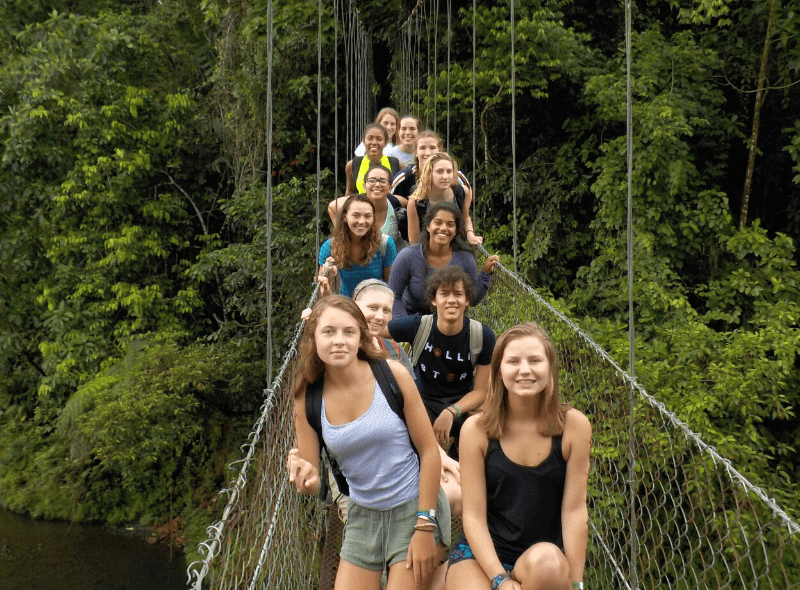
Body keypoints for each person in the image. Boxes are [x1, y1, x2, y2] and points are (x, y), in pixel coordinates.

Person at [287, 296, 451, 590]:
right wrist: (305, 478)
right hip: (362, 515)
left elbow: (429, 452)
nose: (339, 341)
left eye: (348, 332)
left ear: (361, 338)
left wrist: (425, 527)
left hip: (414, 506)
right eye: (329, 332)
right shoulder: (307, 397)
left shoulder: (393, 376)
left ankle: (447, 573)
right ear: (313, 338)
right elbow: (311, 477)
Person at [446, 323, 592, 590]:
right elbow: (474, 516)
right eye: (513, 361)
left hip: (541, 558)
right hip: (481, 554)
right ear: (499, 371)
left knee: (548, 565)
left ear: (550, 367)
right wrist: (499, 579)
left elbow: (574, 511)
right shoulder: (476, 430)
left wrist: (576, 582)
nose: (525, 369)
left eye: (535, 360)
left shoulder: (574, 427)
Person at [388, 202, 497, 318]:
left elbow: (473, 299)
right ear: (428, 226)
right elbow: (393, 296)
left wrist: (485, 273)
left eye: (450, 224)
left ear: (456, 230)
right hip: (413, 321)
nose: (444, 228)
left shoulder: (465, 259)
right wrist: (405, 326)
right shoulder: (408, 256)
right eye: (438, 223)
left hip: (450, 323)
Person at [318, 194, 397, 297]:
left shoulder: (385, 244)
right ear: (345, 217)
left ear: (373, 218)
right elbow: (322, 294)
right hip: (346, 308)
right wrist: (328, 277)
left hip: (375, 306)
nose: (362, 221)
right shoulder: (330, 247)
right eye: (356, 215)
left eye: (367, 216)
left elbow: (392, 288)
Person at [407, 152, 482, 246]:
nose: (445, 177)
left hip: (456, 248)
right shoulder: (416, 201)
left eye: (449, 171)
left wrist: (470, 234)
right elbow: (414, 241)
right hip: (427, 250)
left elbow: (466, 217)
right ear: (430, 173)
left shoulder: (462, 192)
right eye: (440, 171)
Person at [328, 164, 408, 252]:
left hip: (393, 262)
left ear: (390, 188)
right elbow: (332, 207)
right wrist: (343, 235)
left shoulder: (397, 202)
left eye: (383, 181)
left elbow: (413, 208)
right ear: (364, 185)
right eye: (372, 180)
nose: (377, 184)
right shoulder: (355, 204)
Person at [391, 131, 471, 200]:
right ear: (415, 152)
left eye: (432, 148)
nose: (428, 153)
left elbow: (467, 200)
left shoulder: (456, 176)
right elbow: (388, 201)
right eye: (422, 148)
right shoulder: (404, 177)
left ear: (440, 150)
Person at [346, 123, 404, 196]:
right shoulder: (352, 165)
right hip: (362, 205)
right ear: (363, 141)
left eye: (379, 139)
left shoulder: (397, 164)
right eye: (370, 138)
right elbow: (350, 191)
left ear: (385, 143)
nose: (374, 143)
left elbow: (402, 194)